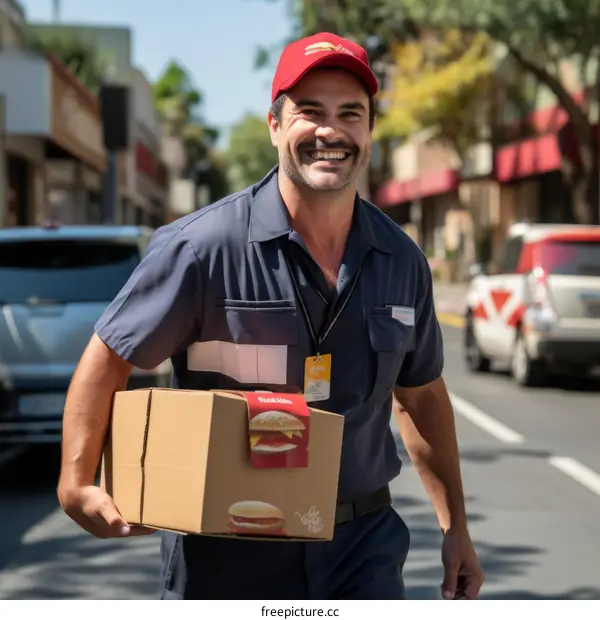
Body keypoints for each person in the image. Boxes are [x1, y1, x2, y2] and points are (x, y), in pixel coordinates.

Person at [57, 31, 484, 600]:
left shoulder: (402, 261)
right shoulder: (200, 250)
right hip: (226, 552)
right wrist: (74, 482)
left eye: (350, 114)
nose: (330, 131)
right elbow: (108, 356)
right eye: (310, 112)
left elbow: (423, 397)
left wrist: (455, 527)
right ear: (275, 126)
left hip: (360, 547)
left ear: (370, 131)